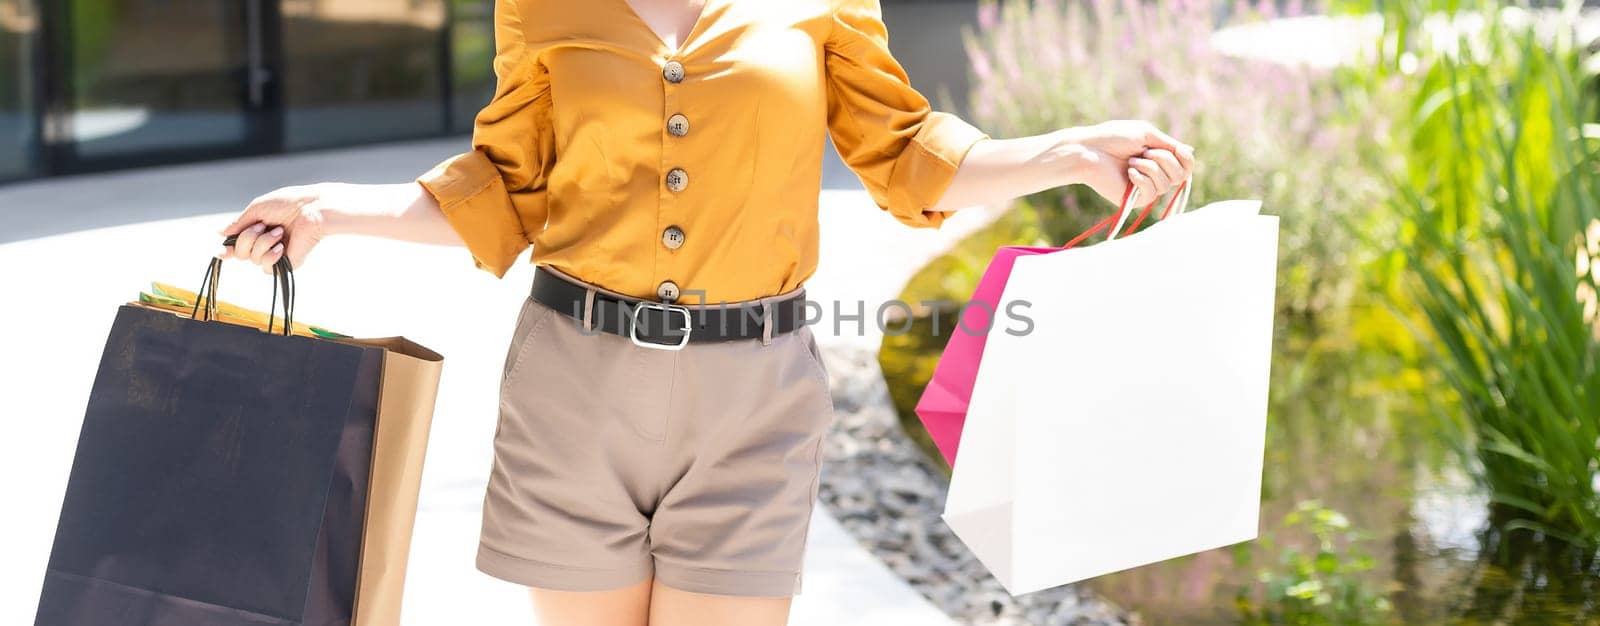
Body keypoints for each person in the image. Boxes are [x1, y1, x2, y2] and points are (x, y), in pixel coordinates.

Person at [217, 0, 1194, 624]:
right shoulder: (542, 7)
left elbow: (909, 152)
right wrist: (328, 209)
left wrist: (1068, 151)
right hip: (574, 384)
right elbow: (501, 188)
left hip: (753, 393)